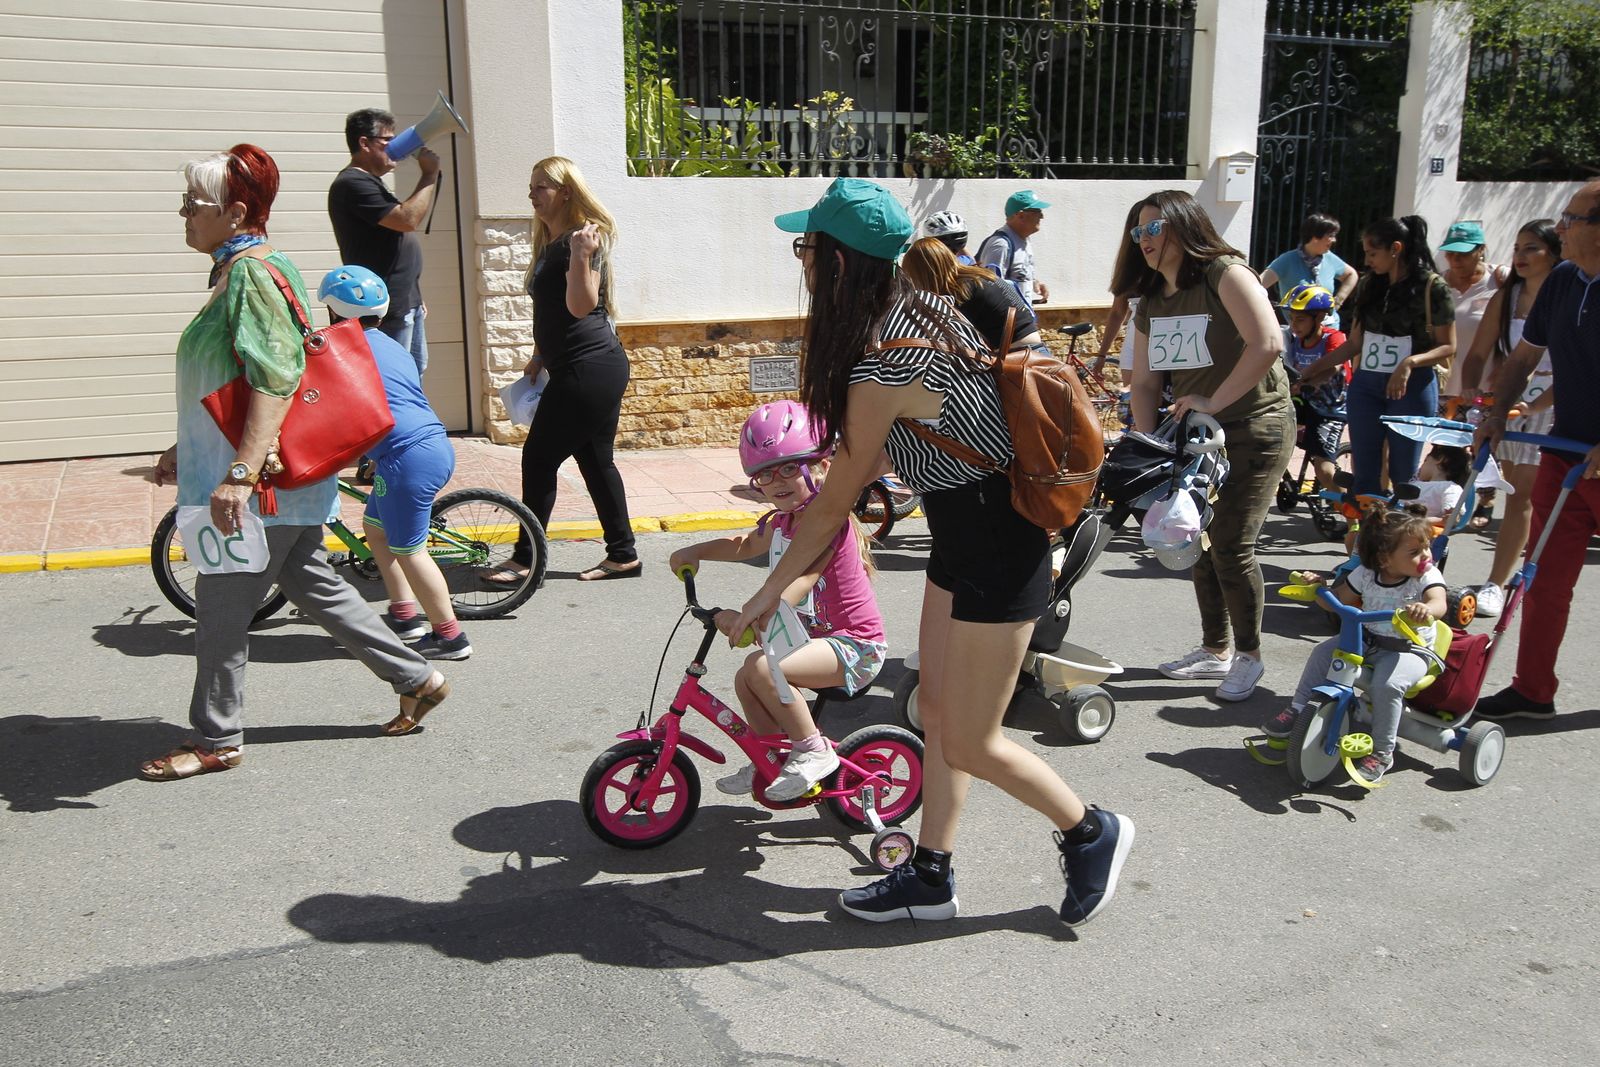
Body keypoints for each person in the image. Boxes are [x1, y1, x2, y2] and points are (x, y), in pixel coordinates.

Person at [732, 177, 1134, 926]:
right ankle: (930, 873)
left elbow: (830, 510)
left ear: (840, 263)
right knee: (941, 718)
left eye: (808, 248)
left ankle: (1091, 829)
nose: (804, 263)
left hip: (998, 540)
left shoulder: (886, 361)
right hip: (962, 529)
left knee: (975, 739)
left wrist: (764, 596)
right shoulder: (920, 303)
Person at [142, 145, 446, 781]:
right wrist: (186, 444)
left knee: (221, 612)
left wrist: (238, 474)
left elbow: (277, 377)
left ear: (235, 212)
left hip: (259, 490)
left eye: (193, 205)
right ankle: (416, 675)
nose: (182, 214)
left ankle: (217, 738)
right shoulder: (246, 269)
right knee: (316, 586)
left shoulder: (251, 274)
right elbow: (235, 376)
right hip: (285, 484)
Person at [668, 402, 887, 803]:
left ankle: (813, 750)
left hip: (854, 647)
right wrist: (694, 550)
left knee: (764, 669)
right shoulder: (781, 522)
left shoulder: (827, 523)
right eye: (765, 474)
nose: (777, 480)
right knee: (746, 676)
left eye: (789, 468)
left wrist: (756, 614)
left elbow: (803, 579)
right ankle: (772, 753)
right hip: (816, 642)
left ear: (818, 467)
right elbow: (743, 545)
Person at [1127, 190, 1294, 702]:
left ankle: (1249, 656)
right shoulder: (1153, 299)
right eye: (1138, 233)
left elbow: (1268, 344)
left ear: (1181, 226)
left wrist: (1213, 401)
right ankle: (1214, 649)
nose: (1144, 241)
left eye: (1153, 228)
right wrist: (1148, 442)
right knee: (1195, 537)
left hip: (1256, 425)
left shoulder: (1226, 273)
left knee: (1231, 544)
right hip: (1200, 436)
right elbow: (1145, 383)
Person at [1472, 180, 1600, 722]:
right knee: (1542, 578)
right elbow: (1523, 358)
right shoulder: (1566, 280)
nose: (1561, 226)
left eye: (1573, 218)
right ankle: (1532, 689)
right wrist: (1496, 412)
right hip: (1566, 453)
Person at [490, 156, 639, 584]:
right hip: (582, 366)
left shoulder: (580, 240)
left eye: (541, 187)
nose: (532, 194)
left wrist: (581, 255)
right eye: (532, 186)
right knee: (595, 462)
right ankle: (623, 554)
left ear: (566, 191)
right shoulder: (552, 242)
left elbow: (580, 306)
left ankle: (525, 558)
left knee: (538, 459)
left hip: (588, 368)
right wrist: (539, 354)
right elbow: (553, 311)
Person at [317, 265, 470, 661]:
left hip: (407, 458)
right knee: (376, 529)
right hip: (428, 447)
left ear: (334, 312)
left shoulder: (338, 349)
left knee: (409, 549)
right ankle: (405, 616)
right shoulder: (391, 346)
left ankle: (450, 637)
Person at [1260, 503, 1446, 785]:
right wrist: (1320, 586)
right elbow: (1335, 600)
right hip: (1368, 640)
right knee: (1323, 653)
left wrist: (1426, 610)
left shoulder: (1426, 576)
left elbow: (1439, 604)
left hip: (1410, 648)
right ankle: (1297, 710)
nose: (1426, 556)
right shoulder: (1366, 574)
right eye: (1414, 552)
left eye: (1426, 547)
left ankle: (1383, 751)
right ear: (1384, 559)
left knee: (1387, 685)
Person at [1300, 216, 1455, 498]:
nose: (1367, 260)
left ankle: (1401, 532)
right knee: (1365, 475)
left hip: (1411, 387)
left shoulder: (1433, 287)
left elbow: (1447, 346)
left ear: (1396, 249)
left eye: (1373, 253)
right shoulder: (1370, 285)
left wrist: (1409, 363)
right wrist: (1314, 368)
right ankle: (1366, 536)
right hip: (1366, 386)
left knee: (1403, 475)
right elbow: (1355, 343)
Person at [1452, 219, 1562, 617]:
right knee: (1510, 488)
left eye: (1531, 247)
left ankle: (1497, 583)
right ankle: (1514, 572)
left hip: (1551, 402)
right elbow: (1479, 352)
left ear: (1554, 251)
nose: (1520, 255)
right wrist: (1471, 390)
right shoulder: (1508, 295)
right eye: (1517, 247)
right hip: (1509, 402)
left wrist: (1536, 404)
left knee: (1523, 495)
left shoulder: (1565, 293)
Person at [327, 108, 440, 379]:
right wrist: (429, 176)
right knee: (393, 380)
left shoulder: (370, 183)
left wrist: (414, 294)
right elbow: (407, 219)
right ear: (364, 143)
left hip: (404, 300)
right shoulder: (351, 184)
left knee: (412, 375)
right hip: (386, 306)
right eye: (387, 140)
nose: (395, 146)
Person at [899, 237, 1044, 351]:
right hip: (1036, 350)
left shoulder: (961, 290)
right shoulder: (980, 276)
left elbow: (953, 340)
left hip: (1016, 360)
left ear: (923, 274)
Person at [1279, 283, 1348, 494]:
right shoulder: (1294, 340)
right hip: (1304, 406)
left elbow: (1333, 368)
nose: (1294, 325)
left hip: (1330, 411)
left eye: (1300, 319)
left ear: (1318, 318)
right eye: (1291, 318)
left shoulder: (1334, 337)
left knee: (1325, 471)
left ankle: (1353, 519)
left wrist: (1305, 383)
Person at [1438, 220, 1511, 403]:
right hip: (1440, 393)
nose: (1455, 259)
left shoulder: (1501, 280)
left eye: (1463, 253)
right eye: (1450, 253)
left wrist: (1507, 366)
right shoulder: (1436, 285)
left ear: (1481, 250)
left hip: (1484, 394)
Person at [1259, 212, 1359, 332]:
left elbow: (1351, 275)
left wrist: (1338, 301)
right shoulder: (1287, 260)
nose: (1334, 240)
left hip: (1329, 331)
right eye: (1330, 235)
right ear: (1315, 236)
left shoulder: (1330, 258)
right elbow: (1258, 285)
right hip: (1299, 335)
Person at [1089, 201, 1148, 385]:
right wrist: (1102, 354)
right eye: (1139, 229)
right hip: (1135, 331)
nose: (1146, 236)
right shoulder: (1129, 264)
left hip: (1162, 333)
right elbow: (1117, 312)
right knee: (1133, 396)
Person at [977, 190, 1051, 304]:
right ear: (1020, 215)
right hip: (1005, 319)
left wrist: (1033, 283)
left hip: (1020, 317)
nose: (1042, 216)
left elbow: (1017, 275)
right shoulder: (1001, 244)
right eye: (1037, 211)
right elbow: (991, 288)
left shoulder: (1023, 240)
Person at [1410, 445, 1468, 523]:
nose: (1421, 468)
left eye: (1425, 461)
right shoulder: (1415, 483)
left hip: (1418, 526)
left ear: (1441, 459)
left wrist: (1419, 521)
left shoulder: (1450, 488)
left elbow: (1451, 519)